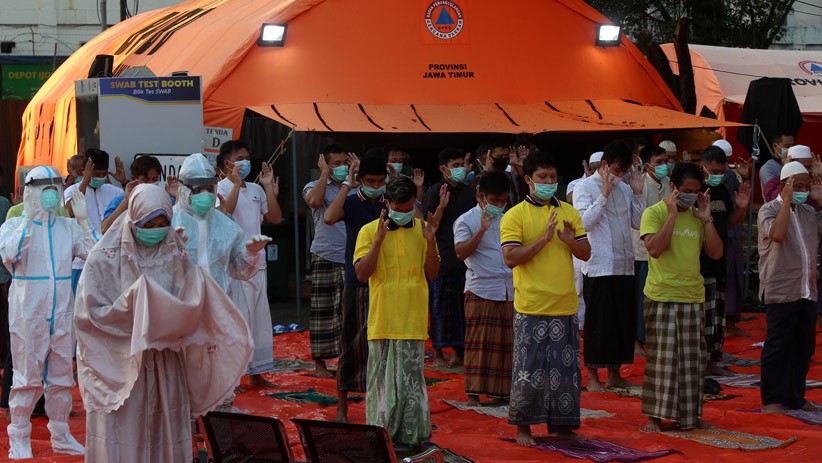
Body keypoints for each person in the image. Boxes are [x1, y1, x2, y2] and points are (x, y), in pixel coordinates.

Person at [74, 184, 253, 461]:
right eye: (149, 224)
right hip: (124, 364)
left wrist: (177, 312)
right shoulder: (104, 259)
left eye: (163, 223)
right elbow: (89, 314)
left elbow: (191, 298)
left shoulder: (176, 254)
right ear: (134, 220)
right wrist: (132, 305)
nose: (156, 230)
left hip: (166, 361)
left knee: (164, 425)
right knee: (127, 430)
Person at [0, 166, 98, 458]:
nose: (51, 191)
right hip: (28, 309)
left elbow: (96, 255)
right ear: (30, 191)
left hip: (62, 310)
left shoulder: (67, 227)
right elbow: (10, 255)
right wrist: (28, 222)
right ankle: (19, 434)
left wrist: (83, 221)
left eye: (55, 185)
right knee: (27, 376)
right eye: (44, 186)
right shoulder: (12, 226)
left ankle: (61, 433)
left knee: (60, 377)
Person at [500, 150, 591, 445]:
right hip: (532, 304)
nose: (549, 182)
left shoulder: (568, 210)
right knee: (529, 371)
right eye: (542, 177)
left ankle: (563, 425)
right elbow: (511, 258)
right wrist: (543, 240)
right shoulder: (514, 215)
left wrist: (568, 242)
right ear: (528, 180)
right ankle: (523, 428)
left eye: (553, 177)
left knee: (565, 372)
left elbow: (586, 252)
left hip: (564, 303)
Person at [353, 177, 445, 450]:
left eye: (408, 209)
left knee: (410, 384)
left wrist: (430, 243)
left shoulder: (425, 229)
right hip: (382, 320)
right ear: (387, 203)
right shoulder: (369, 231)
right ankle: (381, 439)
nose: (403, 214)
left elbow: (433, 274)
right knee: (381, 386)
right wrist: (379, 241)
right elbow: (361, 274)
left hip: (412, 319)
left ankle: (411, 438)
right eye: (398, 208)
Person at [640, 163, 723, 432]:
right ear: (673, 188)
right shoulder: (655, 212)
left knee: (692, 361)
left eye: (696, 191)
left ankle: (688, 416)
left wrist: (707, 218)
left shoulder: (699, 216)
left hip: (692, 295)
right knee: (662, 360)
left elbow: (715, 253)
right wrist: (672, 216)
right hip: (662, 294)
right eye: (687, 191)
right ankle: (655, 415)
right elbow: (654, 249)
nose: (692, 196)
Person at [573, 143, 645, 392]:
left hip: (624, 264)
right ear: (604, 166)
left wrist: (637, 194)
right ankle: (593, 377)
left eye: (624, 171)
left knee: (621, 322)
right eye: (617, 169)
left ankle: (614, 375)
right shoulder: (584, 187)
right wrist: (603, 194)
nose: (620, 175)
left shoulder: (625, 189)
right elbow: (583, 224)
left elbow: (638, 223)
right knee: (598, 323)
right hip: (599, 266)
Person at [323, 154, 388, 422]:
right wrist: (347, 186)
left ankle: (383, 406)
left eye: (380, 181)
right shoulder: (351, 202)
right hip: (357, 281)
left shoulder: (390, 203)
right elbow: (328, 217)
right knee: (351, 342)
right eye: (370, 181)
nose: (375, 185)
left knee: (383, 346)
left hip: (385, 282)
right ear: (361, 180)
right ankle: (342, 407)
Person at [757, 161, 821, 414]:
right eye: (799, 186)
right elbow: (778, 235)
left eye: (806, 186)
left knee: (803, 347)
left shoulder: (807, 212)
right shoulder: (768, 210)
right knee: (778, 346)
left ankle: (796, 396)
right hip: (781, 289)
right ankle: (771, 400)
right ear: (785, 185)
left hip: (806, 288)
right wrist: (785, 201)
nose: (804, 191)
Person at [217, 140, 282, 386]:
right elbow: (225, 213)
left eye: (248, 156)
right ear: (228, 163)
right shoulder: (220, 188)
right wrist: (234, 184)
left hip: (258, 263)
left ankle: (257, 373)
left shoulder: (255, 189)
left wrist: (267, 188)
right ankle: (233, 376)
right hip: (233, 264)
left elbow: (275, 218)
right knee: (238, 319)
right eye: (240, 157)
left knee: (259, 319)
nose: (246, 161)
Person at [454, 171, 514, 406]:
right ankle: (473, 394)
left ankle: (502, 392)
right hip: (481, 287)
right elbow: (460, 253)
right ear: (481, 197)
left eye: (503, 201)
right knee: (479, 343)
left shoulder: (509, 217)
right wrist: (481, 229)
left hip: (508, 288)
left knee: (506, 344)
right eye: (495, 201)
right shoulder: (465, 220)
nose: (500, 205)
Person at [699, 146, 751, 376]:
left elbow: (728, 222)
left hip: (719, 261)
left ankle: (713, 361)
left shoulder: (721, 191)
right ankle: (700, 362)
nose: (717, 174)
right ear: (703, 167)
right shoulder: (695, 190)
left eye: (721, 170)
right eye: (713, 170)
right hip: (698, 264)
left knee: (716, 317)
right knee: (701, 317)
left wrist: (740, 209)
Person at [423, 147, 477, 368]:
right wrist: (442, 207)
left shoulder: (469, 193)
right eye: (455, 166)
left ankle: (459, 352)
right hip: (442, 256)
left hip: (464, 258)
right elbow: (429, 226)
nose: (460, 170)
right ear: (443, 169)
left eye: (461, 165)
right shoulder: (434, 192)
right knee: (439, 307)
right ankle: (437, 353)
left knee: (461, 309)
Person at [303, 145, 352, 378]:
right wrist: (324, 175)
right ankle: (320, 364)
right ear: (325, 164)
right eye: (336, 163)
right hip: (325, 254)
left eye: (346, 162)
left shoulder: (356, 187)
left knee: (350, 311)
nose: (342, 167)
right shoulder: (314, 186)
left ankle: (348, 359)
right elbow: (313, 202)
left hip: (352, 256)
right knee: (323, 311)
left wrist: (351, 180)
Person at [64, 149, 123, 292]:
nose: (101, 177)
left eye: (104, 174)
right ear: (86, 170)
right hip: (81, 263)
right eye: (97, 174)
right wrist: (84, 182)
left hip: (110, 261)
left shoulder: (115, 191)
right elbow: (68, 214)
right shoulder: (72, 190)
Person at [632, 146, 672, 354]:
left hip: (662, 248)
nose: (664, 165)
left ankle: (652, 337)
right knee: (641, 297)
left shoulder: (666, 183)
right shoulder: (640, 184)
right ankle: (637, 340)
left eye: (666, 161)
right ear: (647, 166)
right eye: (659, 162)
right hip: (642, 250)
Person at [101, 155, 171, 232]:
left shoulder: (167, 201)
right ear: (134, 179)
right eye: (145, 180)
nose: (151, 183)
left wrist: (177, 197)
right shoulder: (119, 201)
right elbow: (104, 229)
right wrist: (126, 202)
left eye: (155, 179)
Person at [759, 132, 795, 197]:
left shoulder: (794, 164)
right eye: (787, 146)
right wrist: (786, 169)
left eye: (792, 146)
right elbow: (774, 194)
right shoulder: (767, 168)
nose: (790, 149)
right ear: (775, 146)